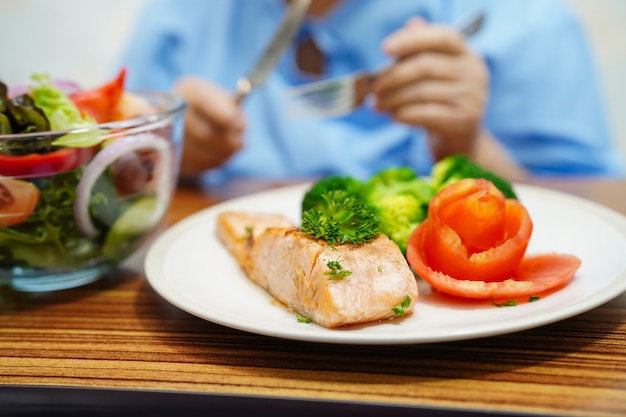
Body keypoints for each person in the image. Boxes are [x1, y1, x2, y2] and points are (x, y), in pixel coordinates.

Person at [121, 0, 624, 184]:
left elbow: (597, 219)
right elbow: (106, 178)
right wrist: (163, 158)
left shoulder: (531, 19)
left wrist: (468, 150)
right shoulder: (181, 15)